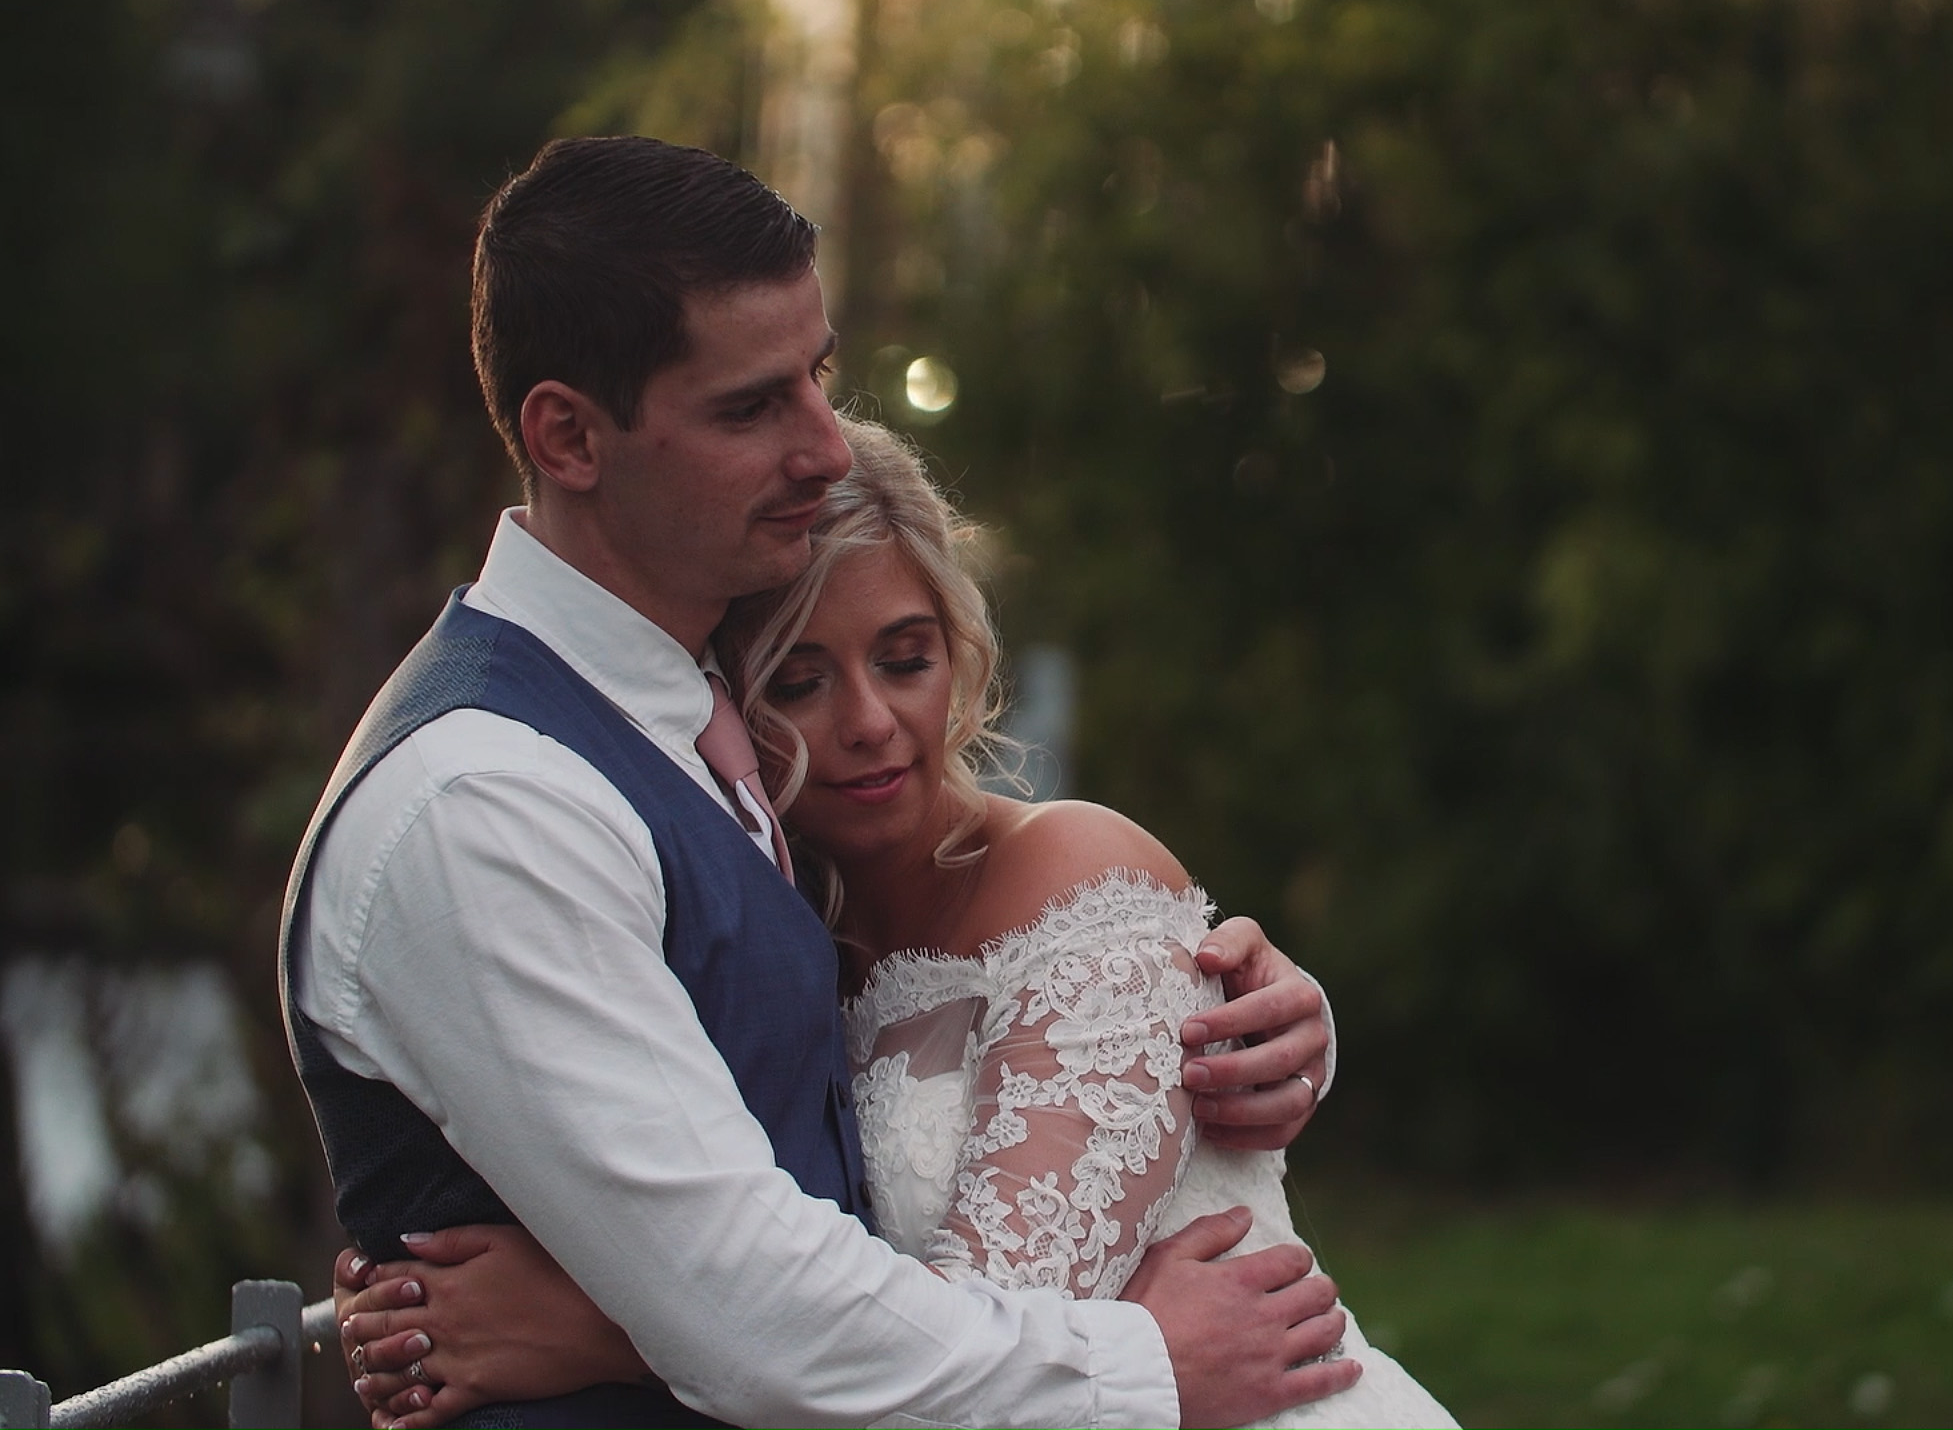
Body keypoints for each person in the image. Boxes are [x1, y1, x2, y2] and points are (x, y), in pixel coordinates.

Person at [284, 135, 1355, 1428]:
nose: (827, 449)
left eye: (818, 378)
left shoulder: (678, 729)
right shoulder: (486, 806)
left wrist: (1243, 1008)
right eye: (750, 407)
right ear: (566, 434)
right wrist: (1142, 1369)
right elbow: (750, 1304)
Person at [338, 422, 1459, 1429]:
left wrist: (584, 1332)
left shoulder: (1076, 878)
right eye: (798, 682)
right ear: (719, 705)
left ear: (960, 655)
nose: (870, 724)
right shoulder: (780, 948)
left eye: (906, 660)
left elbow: (998, 1320)